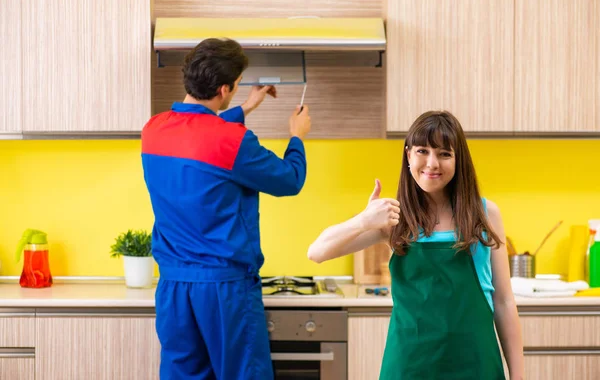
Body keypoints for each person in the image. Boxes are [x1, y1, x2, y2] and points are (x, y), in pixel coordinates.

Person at [141, 38, 312, 380]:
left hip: (173, 289)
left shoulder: (153, 130)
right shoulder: (233, 141)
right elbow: (289, 180)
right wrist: (297, 137)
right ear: (223, 89)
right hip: (225, 291)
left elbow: (199, 134)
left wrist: (245, 107)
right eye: (235, 88)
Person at [307, 111, 524, 379]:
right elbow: (316, 252)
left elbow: (503, 301)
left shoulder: (484, 213)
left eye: (445, 154)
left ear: (459, 161)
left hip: (476, 363)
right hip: (409, 365)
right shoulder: (395, 217)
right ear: (408, 155)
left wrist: (518, 374)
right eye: (423, 151)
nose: (432, 163)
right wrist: (364, 220)